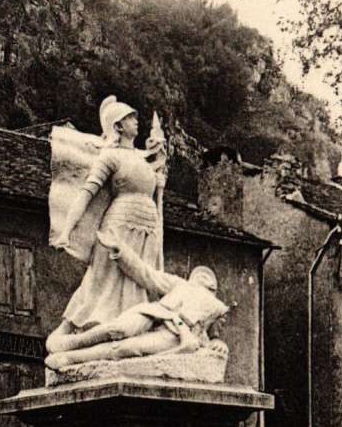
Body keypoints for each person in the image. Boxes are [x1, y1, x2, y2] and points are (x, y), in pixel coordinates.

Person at [48, 96, 166, 337]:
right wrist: (65, 232)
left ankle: (133, 331)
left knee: (141, 282)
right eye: (129, 117)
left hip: (149, 225)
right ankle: (69, 329)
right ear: (118, 126)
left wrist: (159, 170)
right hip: (120, 224)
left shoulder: (143, 159)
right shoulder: (110, 156)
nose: (136, 120)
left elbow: (155, 196)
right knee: (101, 284)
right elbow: (86, 193)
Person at [45, 227, 228, 370]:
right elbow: (146, 273)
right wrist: (121, 251)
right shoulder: (180, 284)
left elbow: (214, 336)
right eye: (200, 275)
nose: (204, 279)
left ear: (213, 289)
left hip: (174, 334)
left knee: (126, 348)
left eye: (208, 279)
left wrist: (218, 343)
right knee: (117, 328)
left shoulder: (216, 307)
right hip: (154, 312)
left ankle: (69, 358)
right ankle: (71, 344)